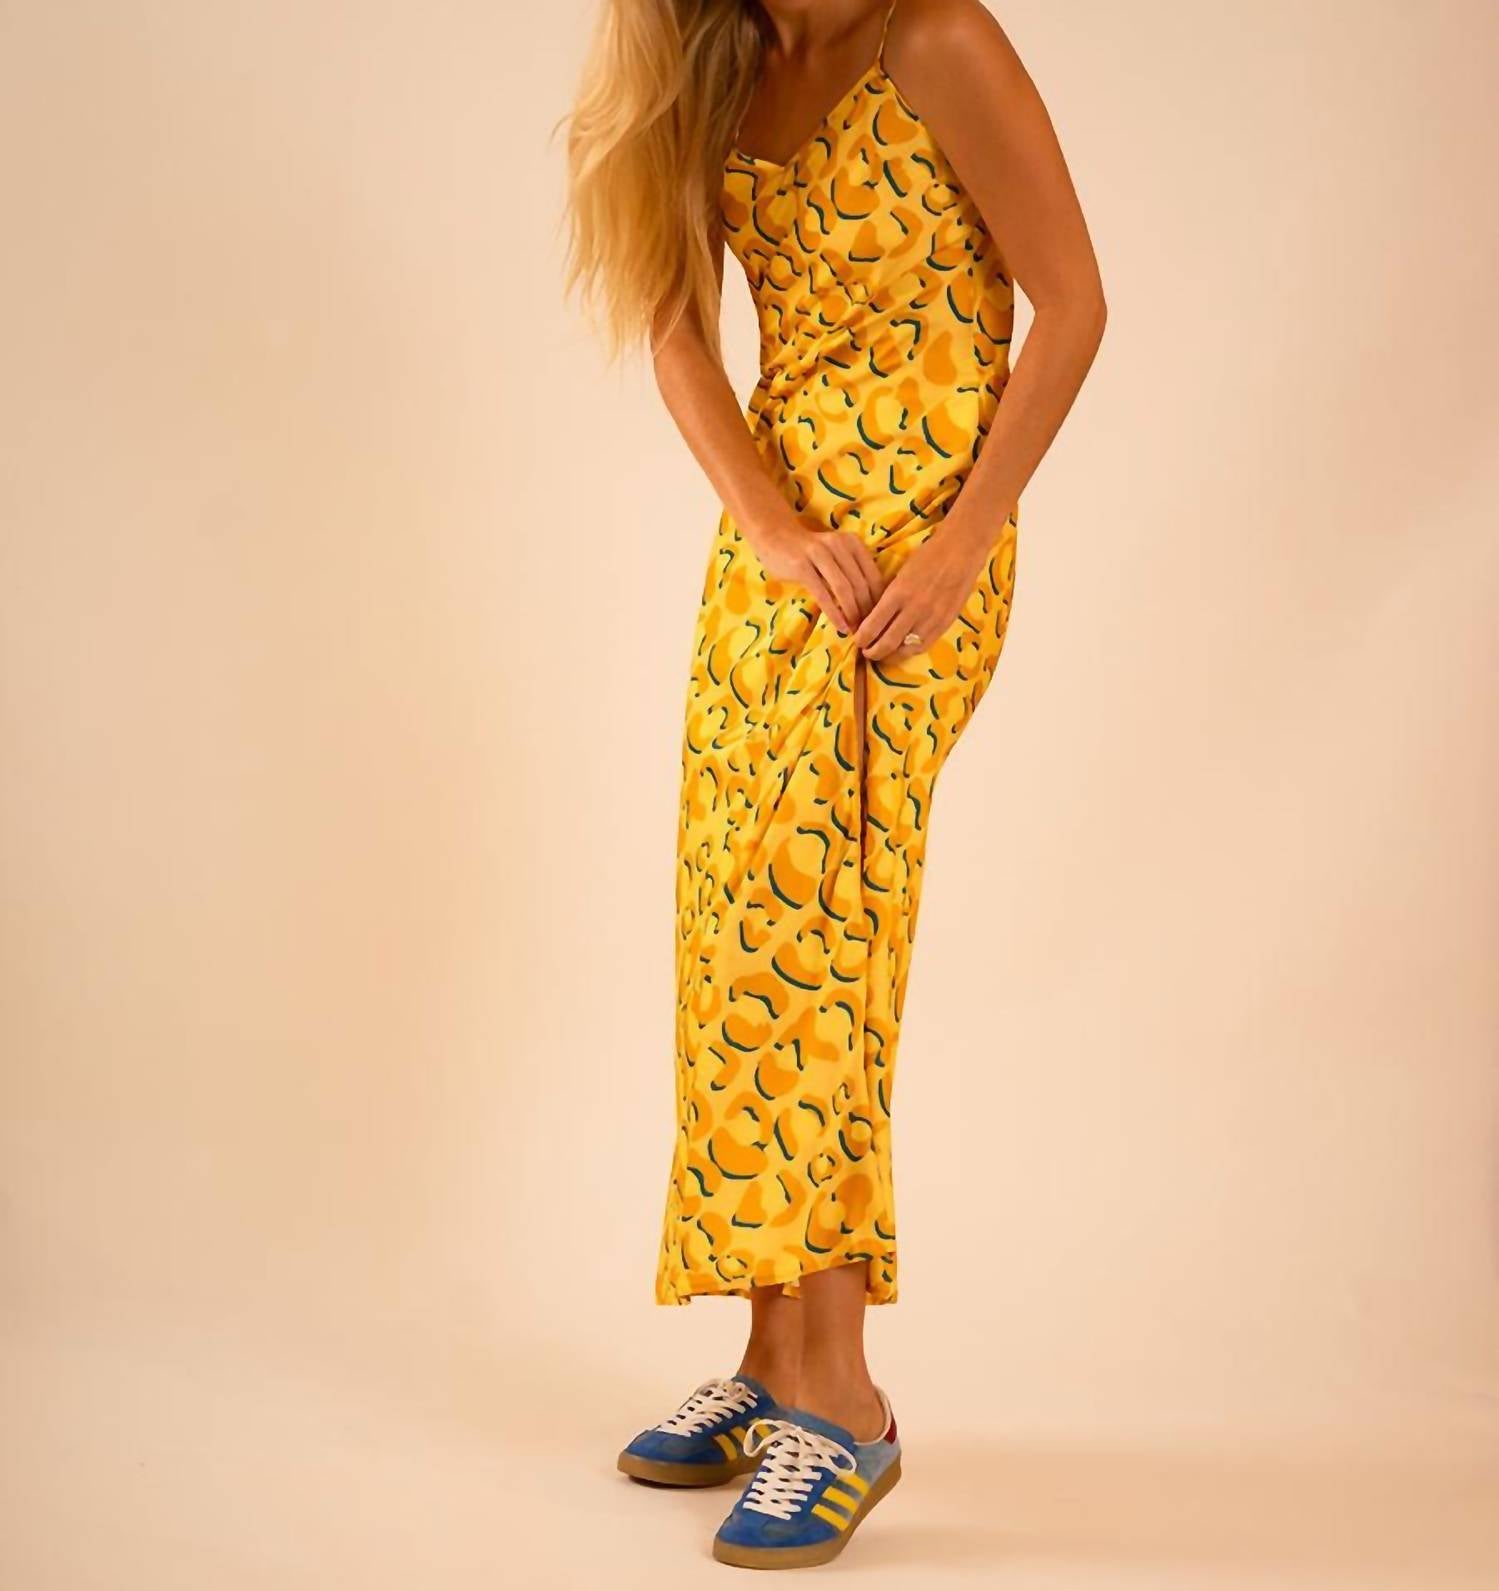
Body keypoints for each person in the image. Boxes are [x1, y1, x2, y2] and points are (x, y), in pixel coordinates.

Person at [561, 0, 1105, 1568]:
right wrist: (768, 527)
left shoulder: (936, 40)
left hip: (920, 554)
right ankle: (768, 1361)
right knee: (737, 926)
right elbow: (676, 327)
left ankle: (844, 1403)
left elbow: (1073, 306)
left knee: (825, 938)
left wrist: (964, 545)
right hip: (787, 554)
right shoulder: (716, 62)